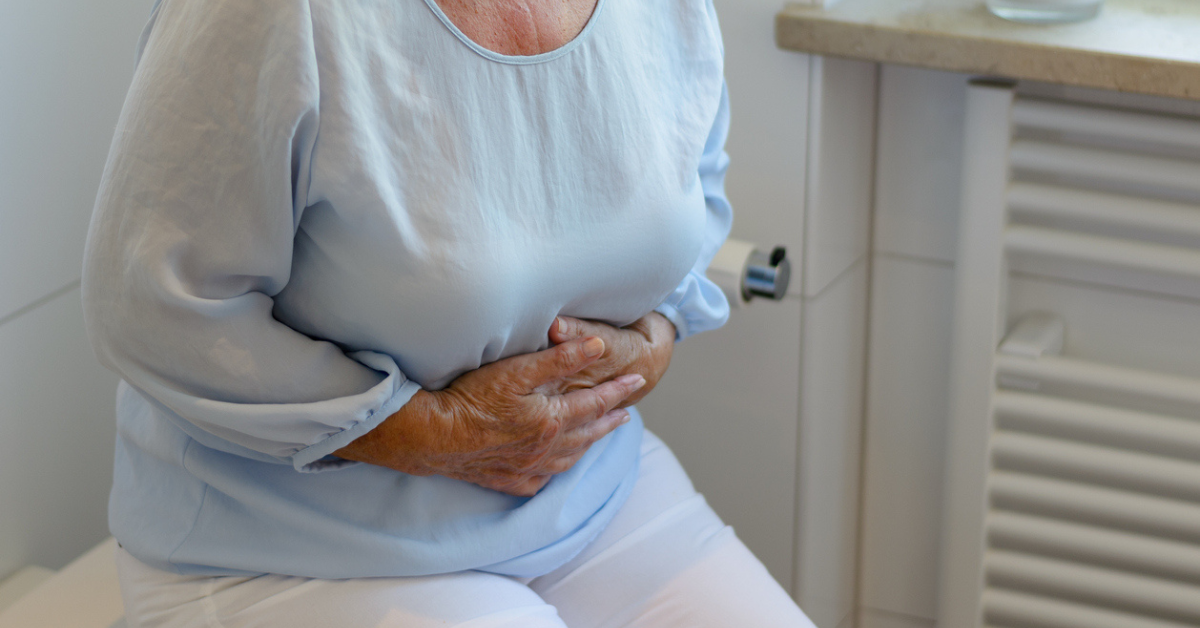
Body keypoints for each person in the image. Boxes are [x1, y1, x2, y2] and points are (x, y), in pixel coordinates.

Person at [82, 0, 815, 625]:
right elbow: (151, 303)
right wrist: (438, 432)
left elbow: (693, 182)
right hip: (291, 543)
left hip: (586, 493)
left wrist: (655, 338)